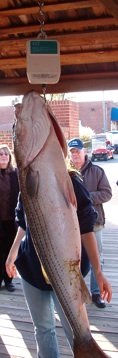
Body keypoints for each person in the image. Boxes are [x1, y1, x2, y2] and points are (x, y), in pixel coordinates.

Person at [6, 172, 112, 358]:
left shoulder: (71, 182)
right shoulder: (26, 183)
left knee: (76, 329)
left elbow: (87, 228)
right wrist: (12, 252)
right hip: (32, 269)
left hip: (67, 272)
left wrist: (98, 271)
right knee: (43, 328)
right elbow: (23, 222)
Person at [68, 137, 112, 309]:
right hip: (73, 226)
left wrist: (86, 198)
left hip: (95, 224)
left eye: (77, 151)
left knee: (96, 258)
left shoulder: (97, 171)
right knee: (75, 258)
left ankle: (96, 293)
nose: (75, 155)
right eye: (72, 152)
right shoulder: (67, 173)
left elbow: (107, 193)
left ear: (84, 151)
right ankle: (77, 291)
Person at [0, 144, 19, 292]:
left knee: (10, 250)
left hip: (12, 220)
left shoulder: (16, 174)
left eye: (6, 154)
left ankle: (9, 280)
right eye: (1, 154)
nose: (4, 157)